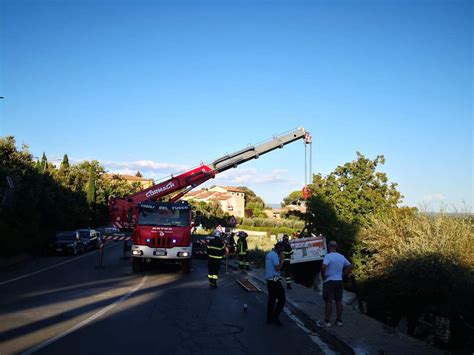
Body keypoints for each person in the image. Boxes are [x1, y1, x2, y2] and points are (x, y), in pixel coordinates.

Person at [317, 240, 353, 328]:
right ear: (336, 247)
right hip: (339, 281)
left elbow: (323, 267)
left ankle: (327, 321)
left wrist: (323, 277)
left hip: (329, 281)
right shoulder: (341, 257)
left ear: (329, 247)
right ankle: (339, 321)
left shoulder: (328, 256)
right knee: (339, 301)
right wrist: (342, 275)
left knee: (329, 301)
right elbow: (350, 266)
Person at [265, 241, 286, 325]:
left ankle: (269, 318)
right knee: (282, 299)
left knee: (271, 300)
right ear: (279, 248)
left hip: (269, 280)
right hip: (274, 280)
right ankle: (275, 317)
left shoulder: (269, 254)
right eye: (282, 249)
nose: (282, 251)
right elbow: (277, 268)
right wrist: (283, 260)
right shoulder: (274, 255)